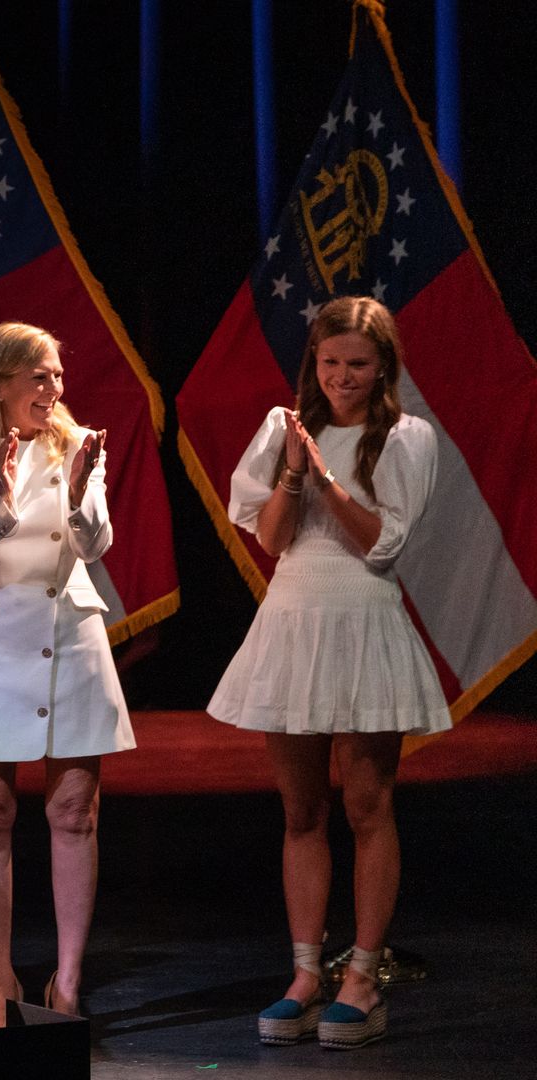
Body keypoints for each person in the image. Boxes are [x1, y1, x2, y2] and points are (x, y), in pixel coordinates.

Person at [208, 295, 444, 1051]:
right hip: (293, 621)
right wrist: (291, 472)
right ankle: (306, 973)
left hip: (366, 620)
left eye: (359, 365)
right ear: (314, 361)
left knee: (367, 806)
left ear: (384, 369)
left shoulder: (408, 437)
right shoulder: (284, 431)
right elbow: (275, 541)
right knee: (301, 812)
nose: (342, 377)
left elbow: (384, 547)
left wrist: (328, 480)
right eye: (330, 361)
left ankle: (363, 977)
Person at [0, 322, 132, 1024]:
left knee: (74, 812)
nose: (55, 389)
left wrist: (79, 493)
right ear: (2, 381)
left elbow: (95, 541)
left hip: (69, 635)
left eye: (57, 376)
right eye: (40, 376)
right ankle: (4, 977)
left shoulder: (79, 445)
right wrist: (3, 496)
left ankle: (68, 981)